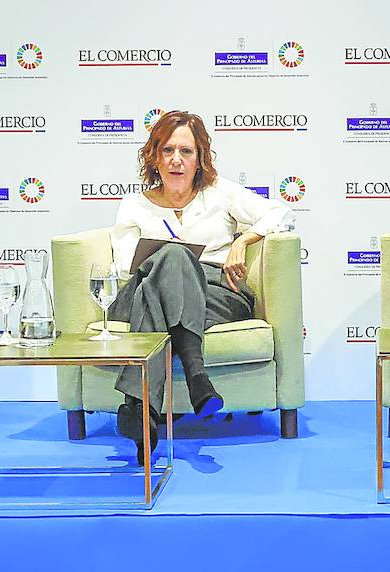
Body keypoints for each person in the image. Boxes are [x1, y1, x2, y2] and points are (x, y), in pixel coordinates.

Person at [106, 110, 295, 465]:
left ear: (199, 159)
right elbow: (123, 263)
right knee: (169, 263)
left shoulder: (220, 194)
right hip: (143, 288)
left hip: (214, 294)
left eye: (187, 152)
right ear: (154, 157)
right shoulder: (134, 204)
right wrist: (169, 257)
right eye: (168, 151)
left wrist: (244, 241)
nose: (177, 160)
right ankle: (197, 376)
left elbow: (281, 213)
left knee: (165, 279)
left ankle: (140, 408)